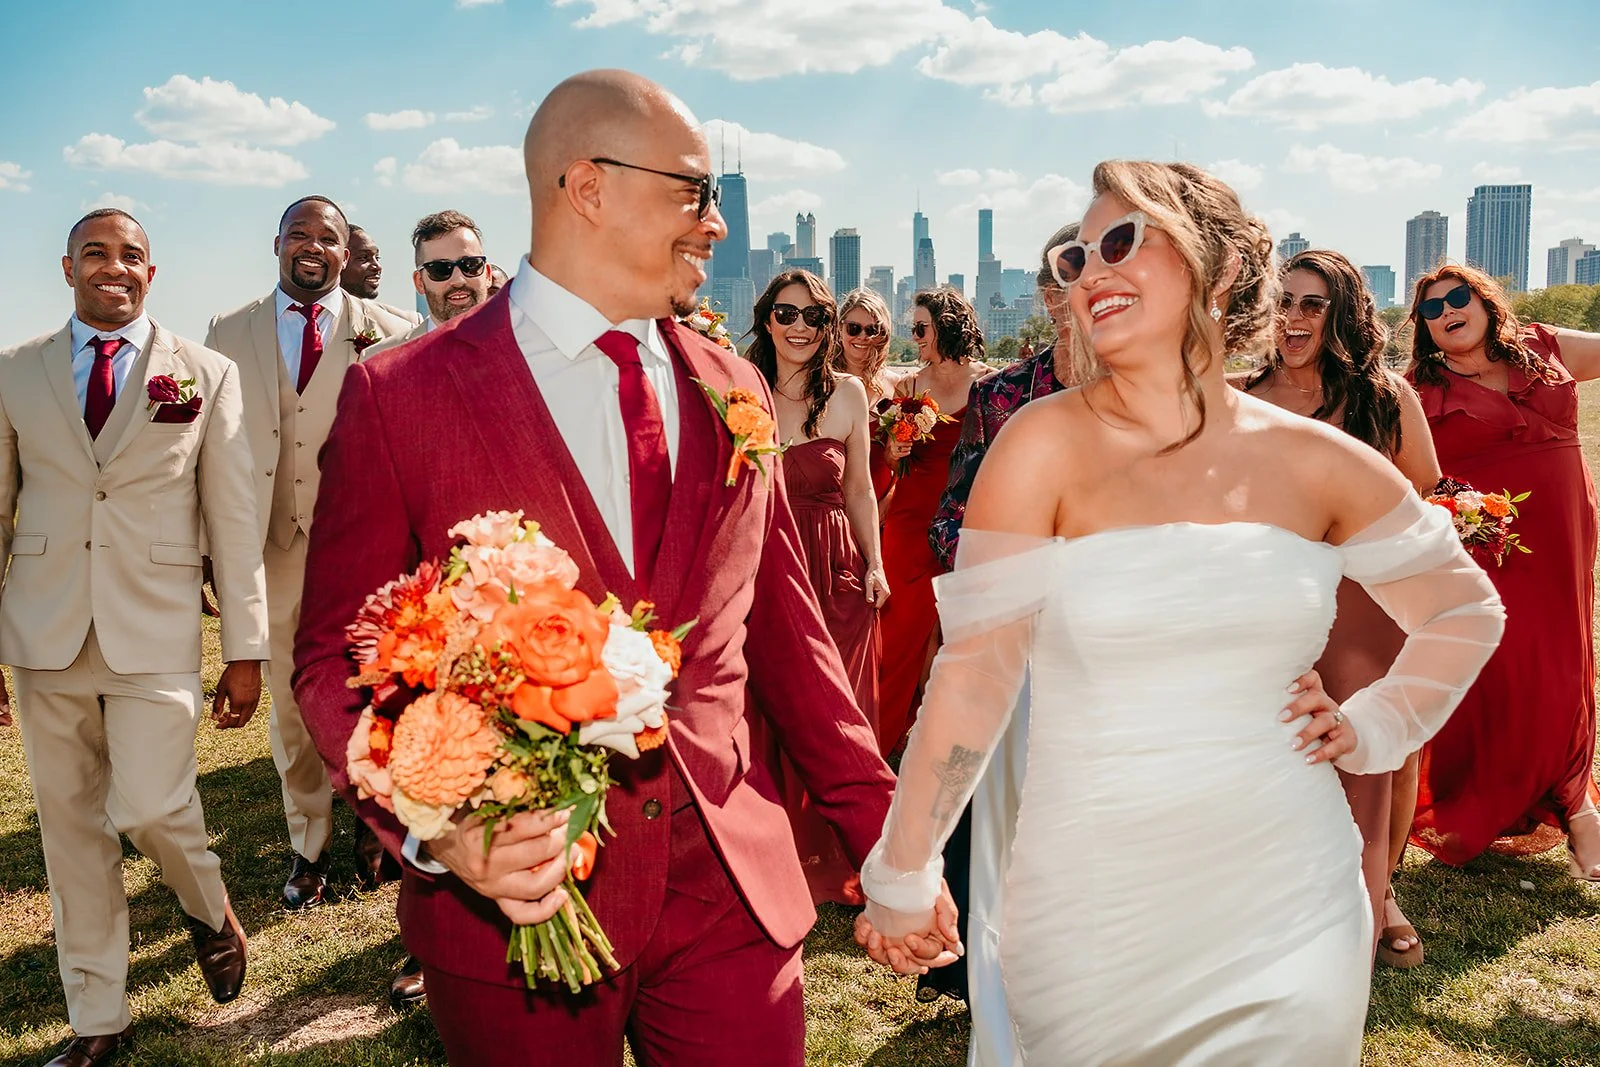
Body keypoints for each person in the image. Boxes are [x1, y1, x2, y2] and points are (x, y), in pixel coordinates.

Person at [292, 69, 911, 1066]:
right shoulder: (399, 396)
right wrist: (444, 824)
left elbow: (788, 640)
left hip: (729, 898)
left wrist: (889, 832)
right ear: (589, 187)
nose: (714, 224)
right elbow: (330, 656)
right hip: (518, 918)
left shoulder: (736, 386)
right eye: (693, 191)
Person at [855, 160, 1504, 1064]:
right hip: (1092, 904)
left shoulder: (1317, 459)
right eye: (1077, 257)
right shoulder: (1039, 445)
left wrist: (1376, 726)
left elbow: (1465, 609)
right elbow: (972, 678)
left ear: (1221, 268)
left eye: (1124, 241)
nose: (1091, 273)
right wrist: (904, 865)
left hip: (1291, 900)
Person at [0, 209, 269, 1067]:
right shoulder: (14, 372)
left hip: (155, 627)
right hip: (44, 632)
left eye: (131, 256)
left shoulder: (207, 373)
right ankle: (99, 1018)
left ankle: (205, 902)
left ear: (153, 272)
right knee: (69, 826)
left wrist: (247, 650)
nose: (112, 268)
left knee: (153, 806)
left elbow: (232, 519)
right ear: (67, 266)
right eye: (95, 254)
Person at [205, 196, 414, 914]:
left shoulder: (393, 332)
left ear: (345, 252)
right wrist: (210, 551)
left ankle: (377, 826)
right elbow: (208, 447)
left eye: (329, 239)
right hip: (274, 545)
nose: (314, 248)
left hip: (368, 546)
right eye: (301, 235)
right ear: (278, 243)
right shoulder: (227, 331)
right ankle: (308, 846)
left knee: (381, 692)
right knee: (296, 705)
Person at [1240, 248, 1443, 968]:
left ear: (1343, 314)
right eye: (1283, 302)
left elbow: (1425, 492)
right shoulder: (1240, 395)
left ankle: (1374, 894)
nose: (1292, 318)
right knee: (1268, 746)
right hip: (1265, 600)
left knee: (1368, 750)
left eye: (1311, 304)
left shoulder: (1384, 398)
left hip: (1359, 601)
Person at [925, 222, 1078, 1060]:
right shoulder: (1004, 395)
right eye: (1055, 280)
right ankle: (1009, 991)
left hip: (1118, 654)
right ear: (1040, 295)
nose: (1070, 296)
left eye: (1085, 273)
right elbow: (952, 518)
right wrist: (1007, 576)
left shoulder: (1166, 398)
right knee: (1016, 825)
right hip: (1020, 644)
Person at [1404, 263, 1600, 878]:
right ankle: (1495, 793)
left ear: (1486, 301)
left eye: (1456, 298)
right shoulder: (1415, 388)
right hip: (1487, 543)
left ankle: (1578, 804)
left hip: (1563, 531)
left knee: (1563, 664)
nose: (1445, 313)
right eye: (1430, 310)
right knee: (1497, 669)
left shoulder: (1546, 347)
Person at [745, 269, 887, 905]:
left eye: (813, 317)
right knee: (769, 706)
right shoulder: (739, 386)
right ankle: (772, 847)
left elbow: (859, 489)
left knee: (840, 708)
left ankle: (835, 850)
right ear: (767, 318)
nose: (800, 327)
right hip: (767, 563)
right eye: (787, 313)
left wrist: (876, 564)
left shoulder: (851, 395)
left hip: (836, 567)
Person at [874, 286, 989, 757]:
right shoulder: (908, 388)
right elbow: (890, 458)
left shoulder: (990, 383)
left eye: (920, 328)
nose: (914, 336)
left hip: (966, 521)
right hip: (909, 523)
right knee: (897, 637)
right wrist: (894, 448)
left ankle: (943, 746)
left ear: (944, 326)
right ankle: (881, 745)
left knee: (957, 638)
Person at [370, 211, 493, 354]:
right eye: (440, 269)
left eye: (470, 265)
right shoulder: (380, 358)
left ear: (488, 275)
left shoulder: (522, 344)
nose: (458, 280)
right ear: (419, 282)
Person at [835, 287, 898, 501]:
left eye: (872, 330)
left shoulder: (899, 385)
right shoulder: (821, 384)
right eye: (853, 328)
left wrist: (888, 502)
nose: (862, 337)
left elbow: (911, 461)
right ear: (839, 330)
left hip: (885, 510)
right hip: (833, 508)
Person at [341, 225, 424, 325]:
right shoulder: (319, 320)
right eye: (363, 258)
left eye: (377, 257)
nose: (377, 267)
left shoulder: (407, 323)